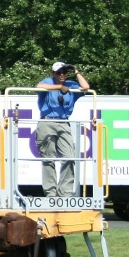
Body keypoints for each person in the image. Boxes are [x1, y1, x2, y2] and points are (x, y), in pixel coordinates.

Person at [36, 62, 90, 197]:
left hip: (64, 122)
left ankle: (64, 192)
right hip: (47, 121)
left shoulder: (71, 84)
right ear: (53, 73)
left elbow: (86, 87)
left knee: (70, 157)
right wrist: (59, 87)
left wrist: (76, 71)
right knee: (48, 159)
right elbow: (39, 86)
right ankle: (51, 193)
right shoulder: (49, 81)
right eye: (59, 72)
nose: (62, 75)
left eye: (64, 72)